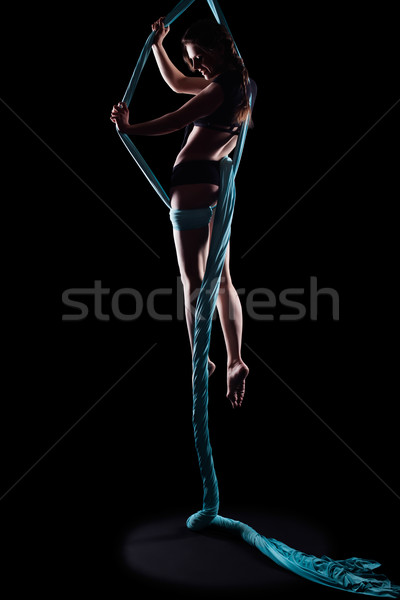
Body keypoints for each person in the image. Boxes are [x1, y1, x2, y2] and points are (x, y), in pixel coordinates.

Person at [111, 17, 257, 408]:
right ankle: (234, 360)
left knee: (194, 284)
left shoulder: (218, 89)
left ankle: (202, 360)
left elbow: (177, 119)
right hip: (213, 186)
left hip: (191, 185)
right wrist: (159, 45)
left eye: (198, 58)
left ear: (212, 50)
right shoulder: (243, 86)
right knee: (222, 279)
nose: (197, 68)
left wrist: (131, 127)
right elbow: (176, 84)